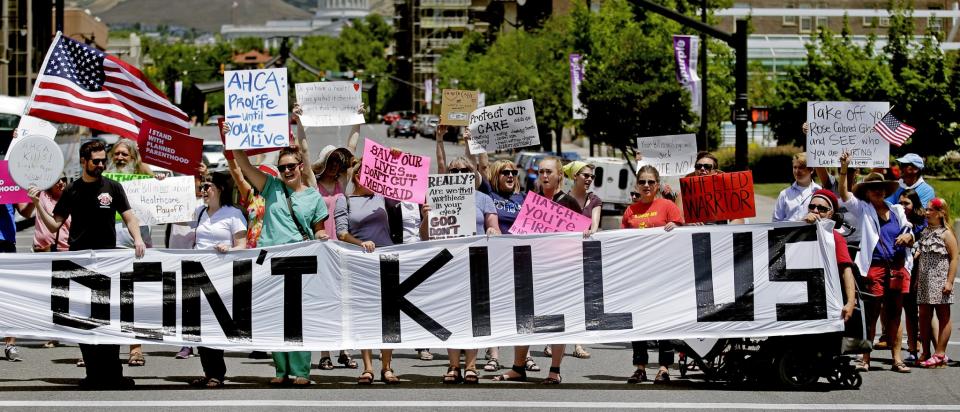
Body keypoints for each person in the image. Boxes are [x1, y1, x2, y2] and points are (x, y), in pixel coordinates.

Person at [29, 139, 145, 389]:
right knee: (84, 321)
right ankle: (93, 374)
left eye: (104, 160)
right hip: (79, 263)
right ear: (84, 161)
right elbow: (55, 225)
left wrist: (137, 239)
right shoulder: (72, 190)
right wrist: (38, 203)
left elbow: (129, 216)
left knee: (110, 319)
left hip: (108, 263)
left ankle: (114, 374)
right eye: (96, 161)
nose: (101, 164)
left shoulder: (113, 187)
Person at [233, 145, 328, 387]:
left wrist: (321, 238)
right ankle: (281, 369)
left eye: (291, 166)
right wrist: (232, 142)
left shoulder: (314, 197)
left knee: (297, 318)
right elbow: (244, 167)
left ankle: (301, 372)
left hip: (300, 262)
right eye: (282, 167)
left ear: (300, 167)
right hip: (272, 262)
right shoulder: (272, 186)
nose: (286, 170)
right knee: (276, 316)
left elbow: (319, 231)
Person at [492, 157, 580, 385]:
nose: (544, 176)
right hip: (531, 268)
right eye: (541, 172)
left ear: (560, 174)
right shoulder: (532, 201)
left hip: (558, 270)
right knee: (524, 318)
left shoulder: (569, 202)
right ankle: (518, 368)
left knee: (556, 320)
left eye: (549, 172)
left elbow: (581, 235)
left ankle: (555, 370)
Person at [838, 152, 914, 373]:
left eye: (880, 188)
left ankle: (897, 358)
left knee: (895, 313)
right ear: (867, 193)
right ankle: (865, 358)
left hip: (898, 267)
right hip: (876, 267)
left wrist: (910, 237)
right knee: (872, 313)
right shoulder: (863, 209)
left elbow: (909, 229)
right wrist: (844, 169)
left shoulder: (897, 209)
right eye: (872, 189)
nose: (877, 191)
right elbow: (844, 194)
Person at [435, 145, 501, 384]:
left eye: (465, 171)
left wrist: (493, 229)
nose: (459, 174)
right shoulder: (439, 198)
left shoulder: (483, 199)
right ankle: (453, 366)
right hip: (448, 264)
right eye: (454, 172)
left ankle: (471, 365)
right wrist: (426, 216)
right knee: (451, 315)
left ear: (472, 175)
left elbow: (495, 228)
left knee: (474, 316)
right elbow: (425, 236)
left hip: (476, 263)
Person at [335, 158, 404, 385]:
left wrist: (393, 159)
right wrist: (360, 243)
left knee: (389, 316)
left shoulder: (383, 197)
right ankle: (367, 367)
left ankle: (387, 366)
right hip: (361, 263)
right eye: (369, 174)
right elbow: (342, 233)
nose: (375, 179)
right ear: (357, 177)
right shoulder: (344, 201)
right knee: (365, 314)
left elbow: (404, 187)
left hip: (388, 259)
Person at [620, 165, 683, 383]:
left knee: (665, 321)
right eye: (642, 182)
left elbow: (683, 234)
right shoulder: (630, 211)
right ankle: (640, 367)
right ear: (637, 185)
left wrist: (675, 227)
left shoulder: (668, 206)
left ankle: (664, 368)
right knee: (639, 322)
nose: (646, 186)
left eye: (651, 182)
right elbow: (622, 243)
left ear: (657, 185)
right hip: (638, 276)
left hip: (664, 274)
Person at [188, 172, 247, 388]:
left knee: (215, 325)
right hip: (198, 277)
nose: (203, 191)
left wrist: (230, 249)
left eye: (207, 187)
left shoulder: (233, 214)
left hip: (221, 278)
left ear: (220, 189)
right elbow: (171, 214)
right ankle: (208, 371)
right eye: (202, 187)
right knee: (200, 327)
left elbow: (243, 246)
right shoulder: (200, 211)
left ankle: (217, 373)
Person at [560, 160, 599, 360]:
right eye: (585, 175)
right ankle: (555, 342)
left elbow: (595, 227)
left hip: (584, 256)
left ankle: (578, 343)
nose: (589, 179)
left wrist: (588, 230)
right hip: (565, 255)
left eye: (592, 176)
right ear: (575, 177)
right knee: (562, 298)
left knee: (580, 299)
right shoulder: (563, 200)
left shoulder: (595, 200)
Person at [801, 189, 858, 321]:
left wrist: (850, 302)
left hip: (826, 300)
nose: (815, 211)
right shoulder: (797, 232)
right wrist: (800, 224)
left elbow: (846, 271)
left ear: (830, 213)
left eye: (821, 208)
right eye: (812, 207)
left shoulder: (835, 238)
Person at [915, 198, 956, 368]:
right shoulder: (925, 231)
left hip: (940, 280)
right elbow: (922, 258)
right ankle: (925, 351)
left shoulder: (946, 233)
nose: (927, 212)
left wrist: (949, 282)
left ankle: (940, 353)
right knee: (924, 316)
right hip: (925, 281)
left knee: (943, 316)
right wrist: (918, 278)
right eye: (927, 209)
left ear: (941, 213)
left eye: (931, 210)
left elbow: (954, 259)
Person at [32, 175, 70, 349]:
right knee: (47, 296)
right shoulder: (41, 196)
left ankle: (64, 332)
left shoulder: (71, 197)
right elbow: (25, 210)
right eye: (56, 179)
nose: (61, 182)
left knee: (62, 295)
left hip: (66, 251)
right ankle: (53, 333)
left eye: (63, 179)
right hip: (43, 251)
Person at [0, 199, 34, 361]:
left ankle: (10, 344)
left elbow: (26, 212)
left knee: (8, 295)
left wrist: (35, 199)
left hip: (6, 243)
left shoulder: (9, 180)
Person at [898, 189, 926, 363]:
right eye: (900, 203)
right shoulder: (897, 217)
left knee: (922, 311)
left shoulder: (922, 220)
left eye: (906, 203)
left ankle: (925, 349)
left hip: (920, 270)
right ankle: (912, 348)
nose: (903, 207)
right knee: (908, 310)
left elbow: (924, 236)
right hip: (903, 267)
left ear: (914, 204)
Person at [772, 152, 821, 222]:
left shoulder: (819, 192)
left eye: (801, 167)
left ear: (811, 170)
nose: (797, 171)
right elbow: (776, 222)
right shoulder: (784, 194)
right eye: (795, 167)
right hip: (788, 233)